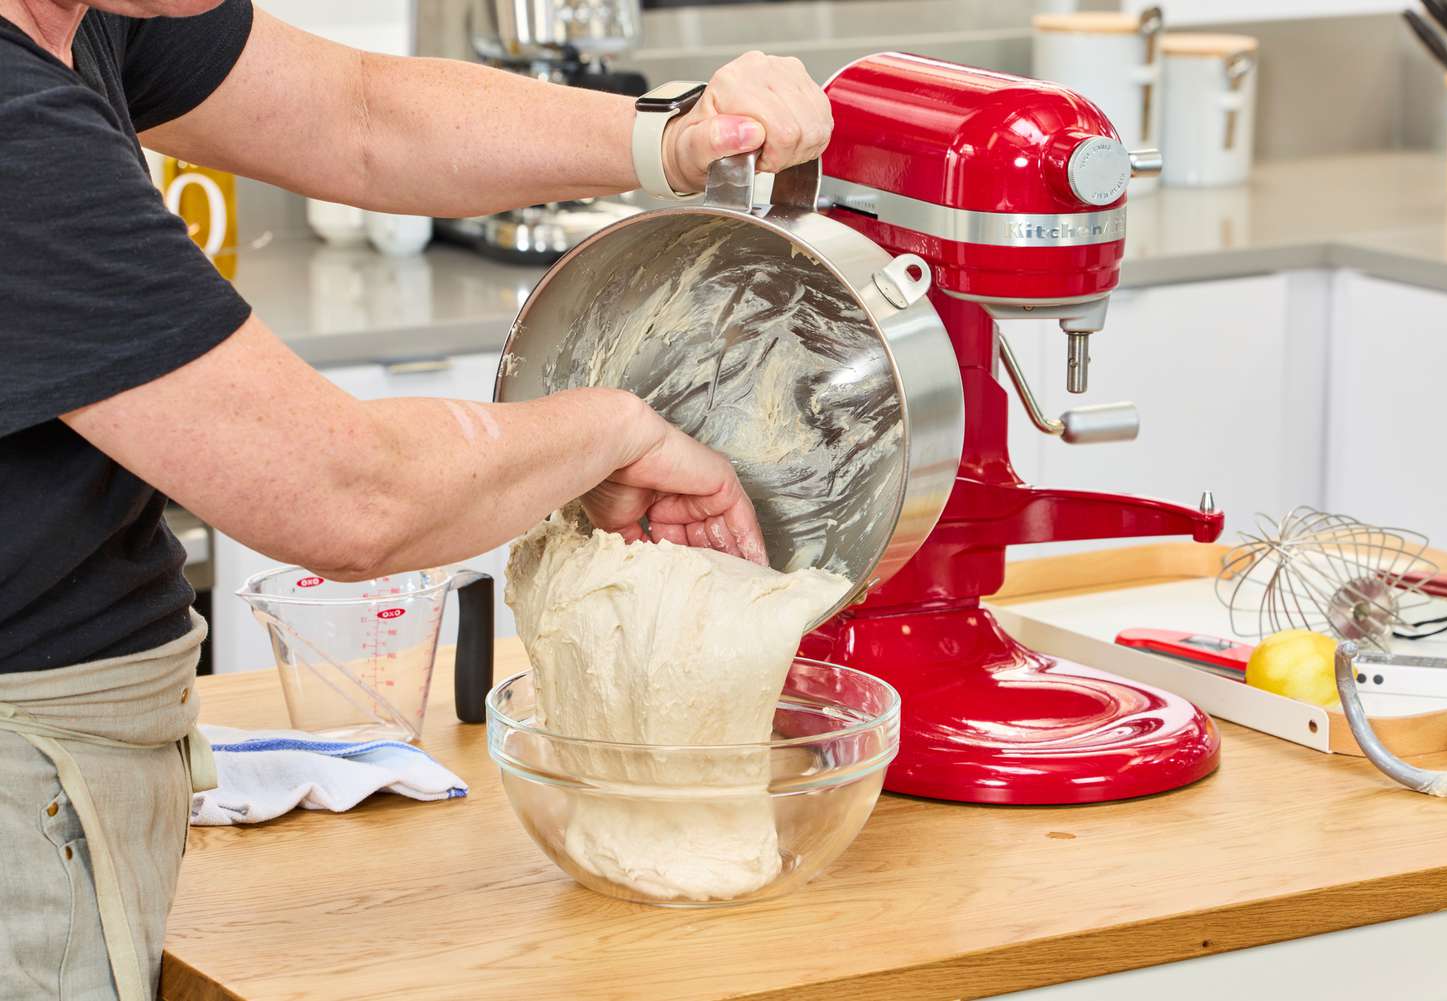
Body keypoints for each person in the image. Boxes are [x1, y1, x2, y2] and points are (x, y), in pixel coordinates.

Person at [0, 1, 833, 997]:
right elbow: (346, 493)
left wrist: (675, 138)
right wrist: (617, 431)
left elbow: (359, 116)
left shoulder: (91, 11)